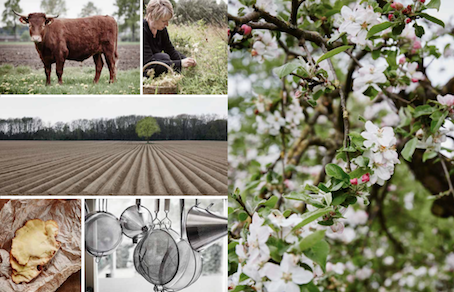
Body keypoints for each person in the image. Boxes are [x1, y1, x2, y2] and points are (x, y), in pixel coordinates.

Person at [143, 0, 197, 77]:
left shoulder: (161, 29)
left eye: (168, 21)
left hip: (156, 64)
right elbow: (148, 64)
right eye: (164, 21)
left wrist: (187, 60)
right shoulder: (143, 30)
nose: (167, 24)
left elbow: (170, 50)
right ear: (152, 16)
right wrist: (180, 63)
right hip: (146, 70)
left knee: (165, 57)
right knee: (163, 57)